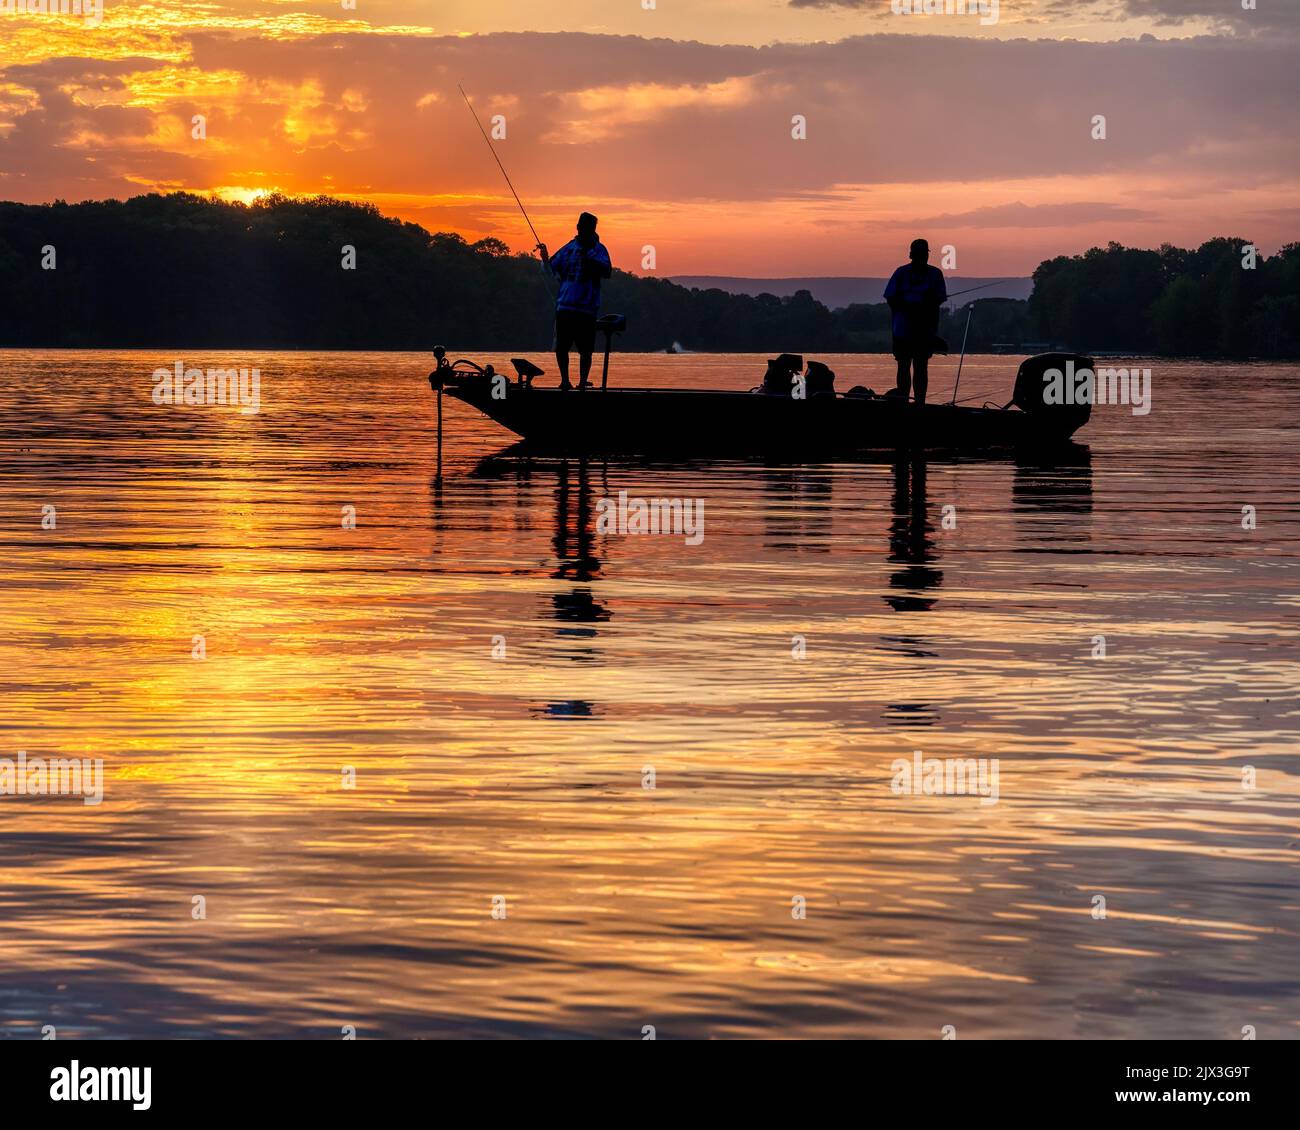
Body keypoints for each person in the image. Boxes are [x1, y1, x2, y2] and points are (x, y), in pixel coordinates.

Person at [537, 212, 613, 390]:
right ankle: (565, 381)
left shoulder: (599, 250)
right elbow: (550, 270)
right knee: (561, 348)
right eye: (583, 227)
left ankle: (582, 383)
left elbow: (607, 271)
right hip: (565, 307)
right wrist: (545, 258)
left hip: (587, 309)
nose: (585, 231)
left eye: (589, 228)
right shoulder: (568, 248)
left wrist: (589, 258)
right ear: (578, 228)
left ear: (593, 230)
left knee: (586, 350)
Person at [883, 238, 947, 404]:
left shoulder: (935, 274)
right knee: (904, 365)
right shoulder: (901, 273)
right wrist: (907, 306)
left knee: (920, 366)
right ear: (911, 254)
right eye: (920, 253)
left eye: (924, 253)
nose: (922, 257)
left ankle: (920, 402)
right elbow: (890, 298)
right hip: (902, 329)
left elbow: (939, 299)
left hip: (924, 331)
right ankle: (904, 400)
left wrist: (925, 304)